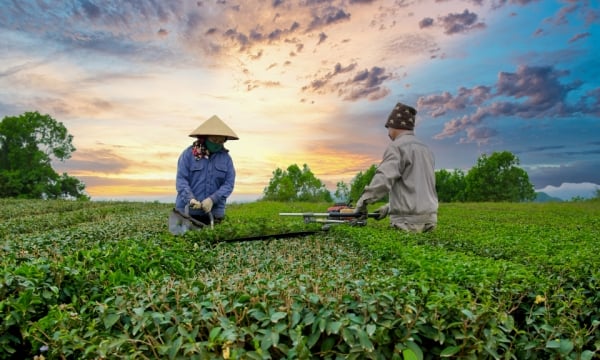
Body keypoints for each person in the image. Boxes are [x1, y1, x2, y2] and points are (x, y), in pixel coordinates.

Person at [355, 102, 438, 233]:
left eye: (388, 128)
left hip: (407, 224)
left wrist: (363, 201)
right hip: (430, 221)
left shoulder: (397, 147)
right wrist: (389, 208)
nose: (388, 132)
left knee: (403, 253)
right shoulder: (426, 150)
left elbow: (383, 179)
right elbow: (419, 188)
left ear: (394, 125)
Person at [175, 115, 239, 225]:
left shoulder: (226, 159)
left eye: (221, 141)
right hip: (187, 211)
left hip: (214, 212)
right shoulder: (188, 155)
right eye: (214, 140)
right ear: (204, 138)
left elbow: (229, 184)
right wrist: (190, 199)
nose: (217, 144)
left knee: (214, 240)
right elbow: (181, 180)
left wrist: (212, 199)